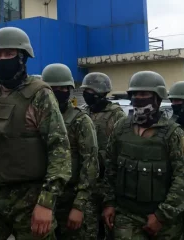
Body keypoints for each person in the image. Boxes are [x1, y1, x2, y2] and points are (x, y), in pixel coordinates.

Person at [0, 27, 72, 240]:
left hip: (30, 199)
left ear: (22, 57)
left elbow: (60, 150)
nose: (2, 59)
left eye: (9, 54)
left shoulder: (39, 95)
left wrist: (46, 203)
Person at [103, 71, 184, 240]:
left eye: (144, 94)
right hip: (126, 215)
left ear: (157, 98)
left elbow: (183, 180)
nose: (138, 98)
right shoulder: (121, 128)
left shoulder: (173, 134)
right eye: (134, 94)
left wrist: (161, 216)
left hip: (163, 220)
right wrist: (109, 203)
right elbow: (110, 169)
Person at [42, 63, 99, 239]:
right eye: (53, 88)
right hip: (45, 200)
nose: (59, 92)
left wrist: (79, 206)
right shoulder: (38, 118)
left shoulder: (80, 121)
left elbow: (90, 167)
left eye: (64, 88)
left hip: (72, 200)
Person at [80, 72, 126, 239]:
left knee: (110, 229)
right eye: (85, 91)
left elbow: (121, 149)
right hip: (87, 182)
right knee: (89, 229)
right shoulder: (83, 112)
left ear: (101, 92)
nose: (87, 95)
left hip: (108, 182)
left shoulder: (116, 115)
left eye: (90, 92)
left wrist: (100, 157)